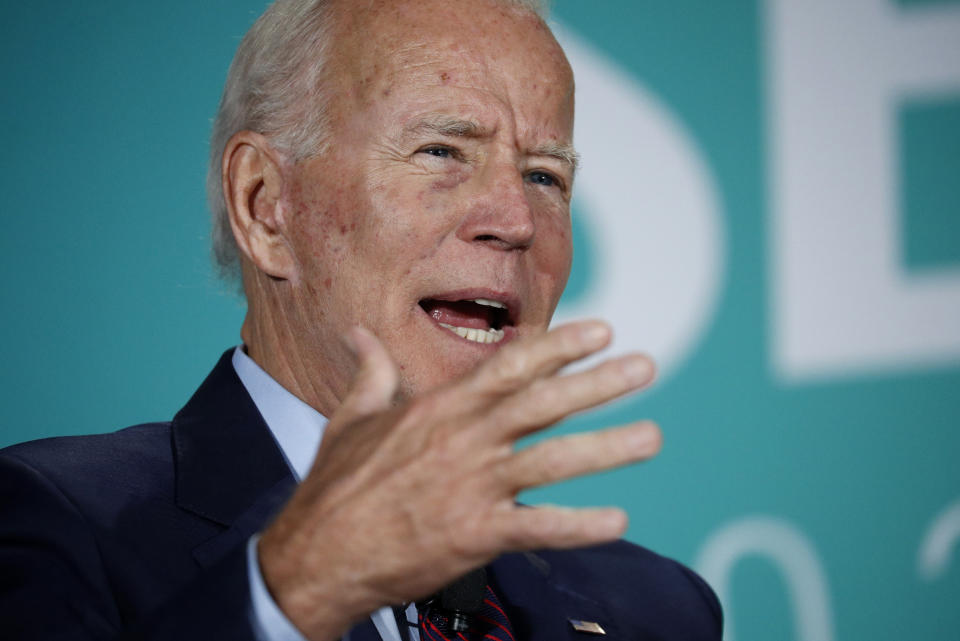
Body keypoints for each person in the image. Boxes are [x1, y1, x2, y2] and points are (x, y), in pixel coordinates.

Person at [0, 0, 722, 639]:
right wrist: (292, 592)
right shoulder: (51, 524)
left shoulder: (659, 609)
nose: (515, 220)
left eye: (544, 176)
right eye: (441, 151)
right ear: (263, 205)